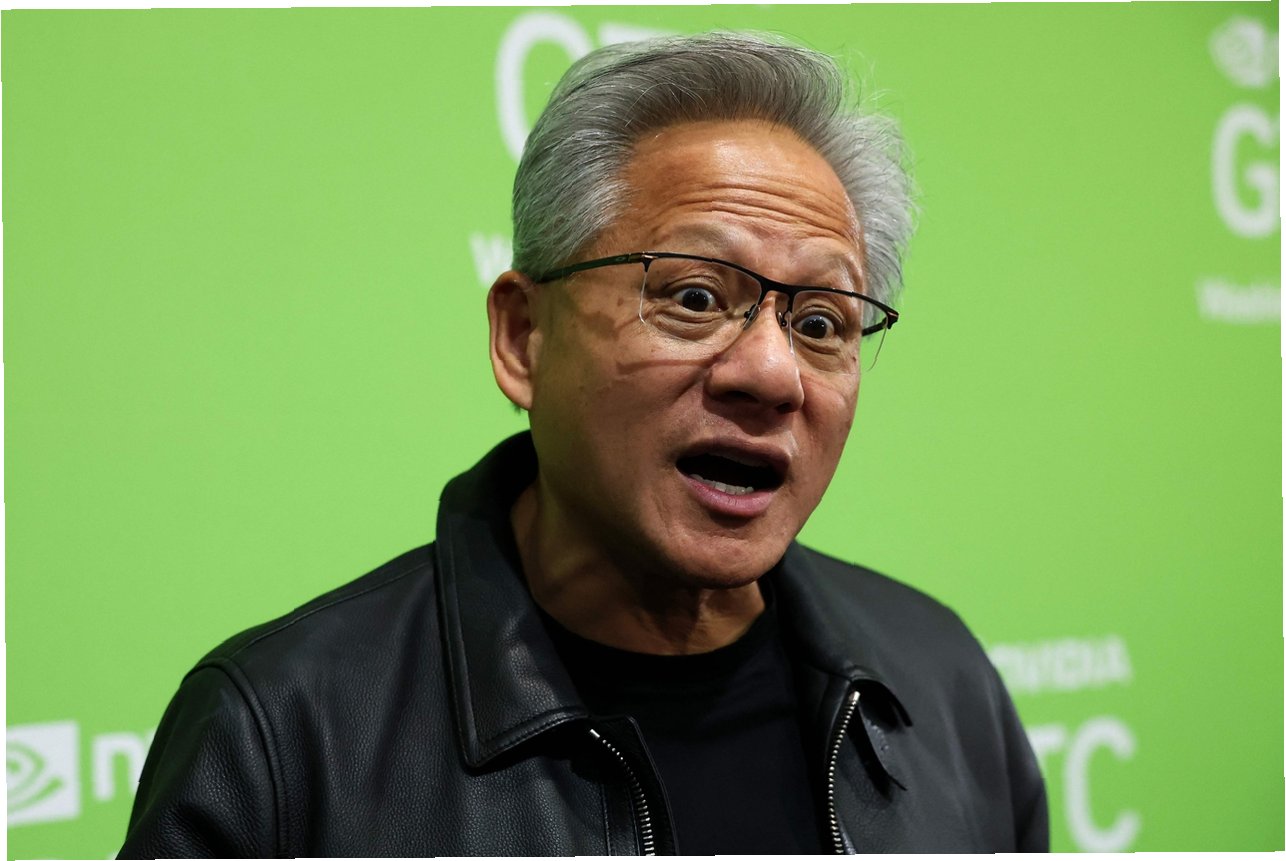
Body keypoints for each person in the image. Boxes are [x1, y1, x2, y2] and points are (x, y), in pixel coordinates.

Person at [119, 31, 1047, 857]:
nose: (773, 374)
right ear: (523, 337)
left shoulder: (940, 682)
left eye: (820, 322)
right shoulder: (282, 741)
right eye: (694, 297)